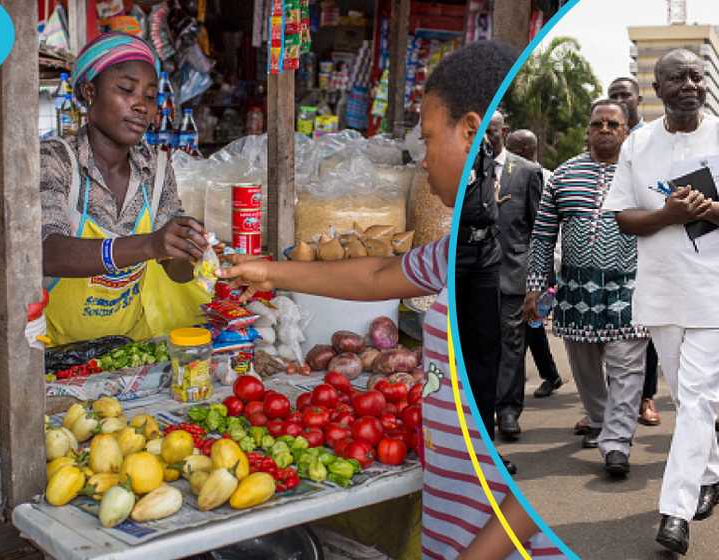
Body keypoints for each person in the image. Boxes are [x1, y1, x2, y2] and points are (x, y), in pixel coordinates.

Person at [219, 40, 562, 560]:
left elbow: (539, 486)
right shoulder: (446, 254)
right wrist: (269, 271)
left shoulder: (481, 260)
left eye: (428, 139)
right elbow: (377, 272)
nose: (422, 161)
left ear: (470, 131)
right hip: (454, 527)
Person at [605, 48, 719, 555]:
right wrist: (668, 215)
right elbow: (623, 217)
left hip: (715, 288)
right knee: (687, 397)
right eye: (676, 77)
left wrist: (711, 208)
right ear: (657, 88)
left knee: (699, 397)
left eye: (697, 76)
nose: (689, 84)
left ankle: (675, 510)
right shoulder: (638, 144)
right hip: (660, 289)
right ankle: (710, 473)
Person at [41, 32, 211, 345]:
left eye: (149, 96)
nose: (141, 106)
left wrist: (194, 251)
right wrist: (149, 245)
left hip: (128, 351)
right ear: (89, 91)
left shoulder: (156, 169)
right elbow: (46, 252)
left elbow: (176, 271)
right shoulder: (55, 160)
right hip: (54, 354)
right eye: (126, 90)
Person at [524, 99, 648, 476]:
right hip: (576, 290)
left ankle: (616, 443)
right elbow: (543, 236)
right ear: (588, 130)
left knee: (627, 366)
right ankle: (599, 418)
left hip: (630, 287)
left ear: (626, 131)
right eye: (599, 124)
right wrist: (535, 286)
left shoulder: (643, 174)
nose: (606, 130)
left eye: (614, 124)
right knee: (584, 364)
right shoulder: (562, 176)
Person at [608, 75, 661, 426]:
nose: (620, 99)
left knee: (648, 325)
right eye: (614, 95)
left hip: (648, 243)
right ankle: (605, 406)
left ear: (638, 99)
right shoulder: (607, 133)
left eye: (625, 94)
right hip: (610, 246)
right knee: (606, 328)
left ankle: (646, 397)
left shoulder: (652, 139)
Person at [492, 113, 547, 441]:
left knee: (512, 344)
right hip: (474, 275)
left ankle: (509, 410)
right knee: (482, 345)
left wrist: (537, 283)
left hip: (513, 273)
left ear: (505, 131)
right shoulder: (469, 170)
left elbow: (539, 232)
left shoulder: (527, 172)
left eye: (493, 129)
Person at [455, 95, 504, 445]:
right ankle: (458, 441)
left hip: (486, 253)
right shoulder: (450, 141)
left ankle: (485, 444)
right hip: (456, 253)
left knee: (487, 352)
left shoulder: (486, 145)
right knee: (456, 354)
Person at [504, 129, 565, 399]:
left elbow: (546, 230)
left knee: (530, 324)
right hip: (513, 264)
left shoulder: (548, 179)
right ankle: (549, 374)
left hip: (540, 266)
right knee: (529, 325)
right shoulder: (505, 177)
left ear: (526, 150)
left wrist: (547, 271)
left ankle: (547, 375)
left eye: (513, 150)